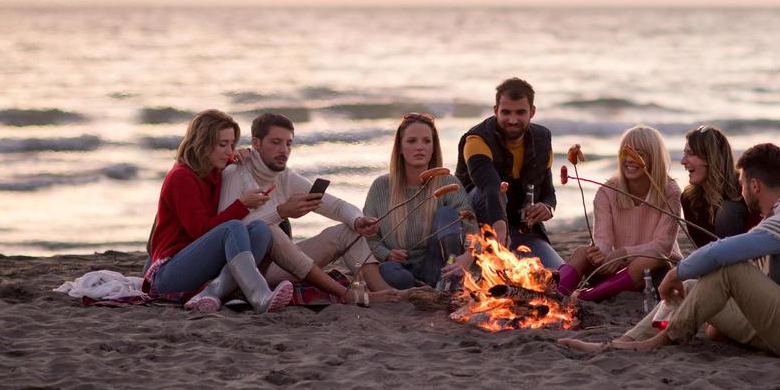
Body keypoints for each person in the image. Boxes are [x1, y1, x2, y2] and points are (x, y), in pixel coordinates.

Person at [586, 143, 780, 357]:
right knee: (692, 287)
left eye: (742, 184)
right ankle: (624, 342)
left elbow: (724, 252)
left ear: (754, 185)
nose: (741, 192)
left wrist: (675, 272)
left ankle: (661, 340)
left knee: (731, 269)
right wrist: (692, 284)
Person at [222, 112, 385, 302]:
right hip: (239, 271)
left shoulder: (285, 177)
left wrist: (358, 220)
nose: (284, 150)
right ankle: (347, 295)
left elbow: (338, 206)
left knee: (348, 230)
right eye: (276, 142)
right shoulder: (234, 172)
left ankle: (385, 291)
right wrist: (281, 212)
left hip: (276, 267)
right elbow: (228, 229)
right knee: (269, 230)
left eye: (288, 143)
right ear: (256, 143)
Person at [143, 110, 293, 313]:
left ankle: (212, 292)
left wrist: (244, 157)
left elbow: (236, 164)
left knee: (260, 229)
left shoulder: (216, 171)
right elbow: (200, 230)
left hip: (199, 270)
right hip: (167, 275)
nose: (229, 151)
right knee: (232, 227)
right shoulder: (181, 177)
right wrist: (242, 205)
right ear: (202, 144)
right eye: (222, 145)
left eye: (232, 144)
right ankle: (260, 295)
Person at [558, 125, 682, 300]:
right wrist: (599, 253)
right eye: (625, 152)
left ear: (653, 159)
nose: (629, 159)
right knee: (581, 251)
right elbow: (603, 241)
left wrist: (624, 252)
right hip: (618, 272)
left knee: (652, 257)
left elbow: (663, 246)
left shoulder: (669, 192)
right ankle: (554, 294)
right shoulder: (606, 192)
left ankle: (585, 297)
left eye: (638, 153)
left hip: (656, 271)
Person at [452, 77, 561, 269]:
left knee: (559, 273)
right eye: (506, 112)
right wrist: (499, 227)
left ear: (532, 112)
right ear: (496, 111)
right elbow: (490, 188)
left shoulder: (543, 139)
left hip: (522, 229)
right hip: (477, 224)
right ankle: (490, 253)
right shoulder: (477, 139)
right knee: (498, 188)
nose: (512, 120)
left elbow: (548, 191)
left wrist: (547, 206)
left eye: (520, 112)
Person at [362, 113, 471, 290]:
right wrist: (387, 254)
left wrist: (467, 258)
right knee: (393, 274)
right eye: (412, 141)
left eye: (426, 141)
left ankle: (450, 281)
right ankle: (421, 289)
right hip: (399, 269)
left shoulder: (448, 183)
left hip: (438, 266)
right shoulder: (380, 186)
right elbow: (368, 237)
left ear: (433, 147)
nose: (419, 147)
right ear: (400, 147)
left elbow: (471, 227)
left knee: (448, 214)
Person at [679, 124, 750, 245]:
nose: (683, 161)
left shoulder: (744, 190)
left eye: (690, 154)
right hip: (713, 262)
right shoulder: (689, 199)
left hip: (745, 259)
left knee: (727, 211)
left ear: (711, 158)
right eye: (684, 154)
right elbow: (702, 248)